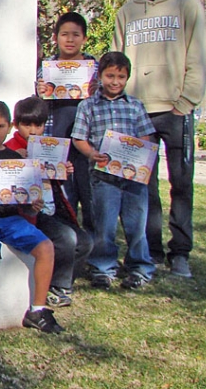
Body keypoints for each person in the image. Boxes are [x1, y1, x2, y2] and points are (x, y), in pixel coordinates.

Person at [112, 0, 206, 278]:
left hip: (175, 109)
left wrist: (187, 101)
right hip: (138, 112)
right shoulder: (127, 11)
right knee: (143, 188)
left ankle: (180, 252)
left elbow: (199, 56)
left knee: (181, 185)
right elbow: (117, 60)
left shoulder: (186, 5)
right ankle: (150, 251)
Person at [0, 100, 62, 337]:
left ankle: (38, 309)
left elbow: (25, 205)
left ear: (10, 126)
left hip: (11, 219)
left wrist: (33, 207)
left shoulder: (16, 158)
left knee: (46, 247)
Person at [71, 52, 157, 290]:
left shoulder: (136, 105)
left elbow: (145, 136)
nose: (115, 81)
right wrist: (91, 153)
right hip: (103, 177)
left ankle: (139, 267)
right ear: (100, 76)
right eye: (110, 75)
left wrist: (138, 151)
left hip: (133, 178)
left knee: (136, 225)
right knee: (104, 225)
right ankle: (103, 267)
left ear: (127, 77)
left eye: (121, 76)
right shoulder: (88, 105)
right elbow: (79, 138)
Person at [5, 96, 93, 307]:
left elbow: (54, 181)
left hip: (53, 206)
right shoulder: (10, 147)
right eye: (27, 125)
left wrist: (64, 171)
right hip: (29, 211)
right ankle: (58, 288)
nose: (33, 130)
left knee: (86, 242)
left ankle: (59, 283)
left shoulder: (50, 146)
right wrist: (15, 159)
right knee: (66, 238)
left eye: (39, 124)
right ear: (17, 125)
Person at [37, 12, 97, 232]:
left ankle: (93, 251)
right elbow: (37, 107)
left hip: (87, 143)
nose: (70, 40)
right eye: (64, 34)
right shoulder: (47, 68)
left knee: (91, 197)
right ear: (56, 38)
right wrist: (40, 92)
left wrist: (96, 91)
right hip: (57, 141)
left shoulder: (95, 69)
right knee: (64, 198)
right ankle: (69, 248)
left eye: (75, 35)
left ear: (84, 38)